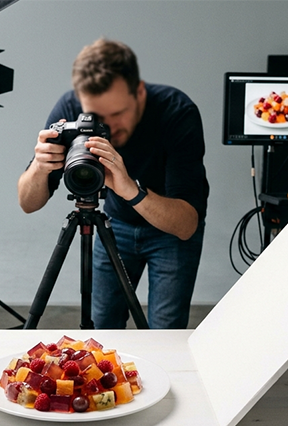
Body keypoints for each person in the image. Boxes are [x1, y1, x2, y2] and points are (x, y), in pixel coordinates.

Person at [17, 38, 209, 331]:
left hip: (169, 234)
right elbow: (27, 204)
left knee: (165, 333)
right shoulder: (70, 110)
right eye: (96, 117)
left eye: (118, 114)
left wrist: (129, 188)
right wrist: (40, 169)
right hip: (114, 225)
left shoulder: (176, 111)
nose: (107, 128)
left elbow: (186, 225)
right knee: (103, 327)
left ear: (139, 92)